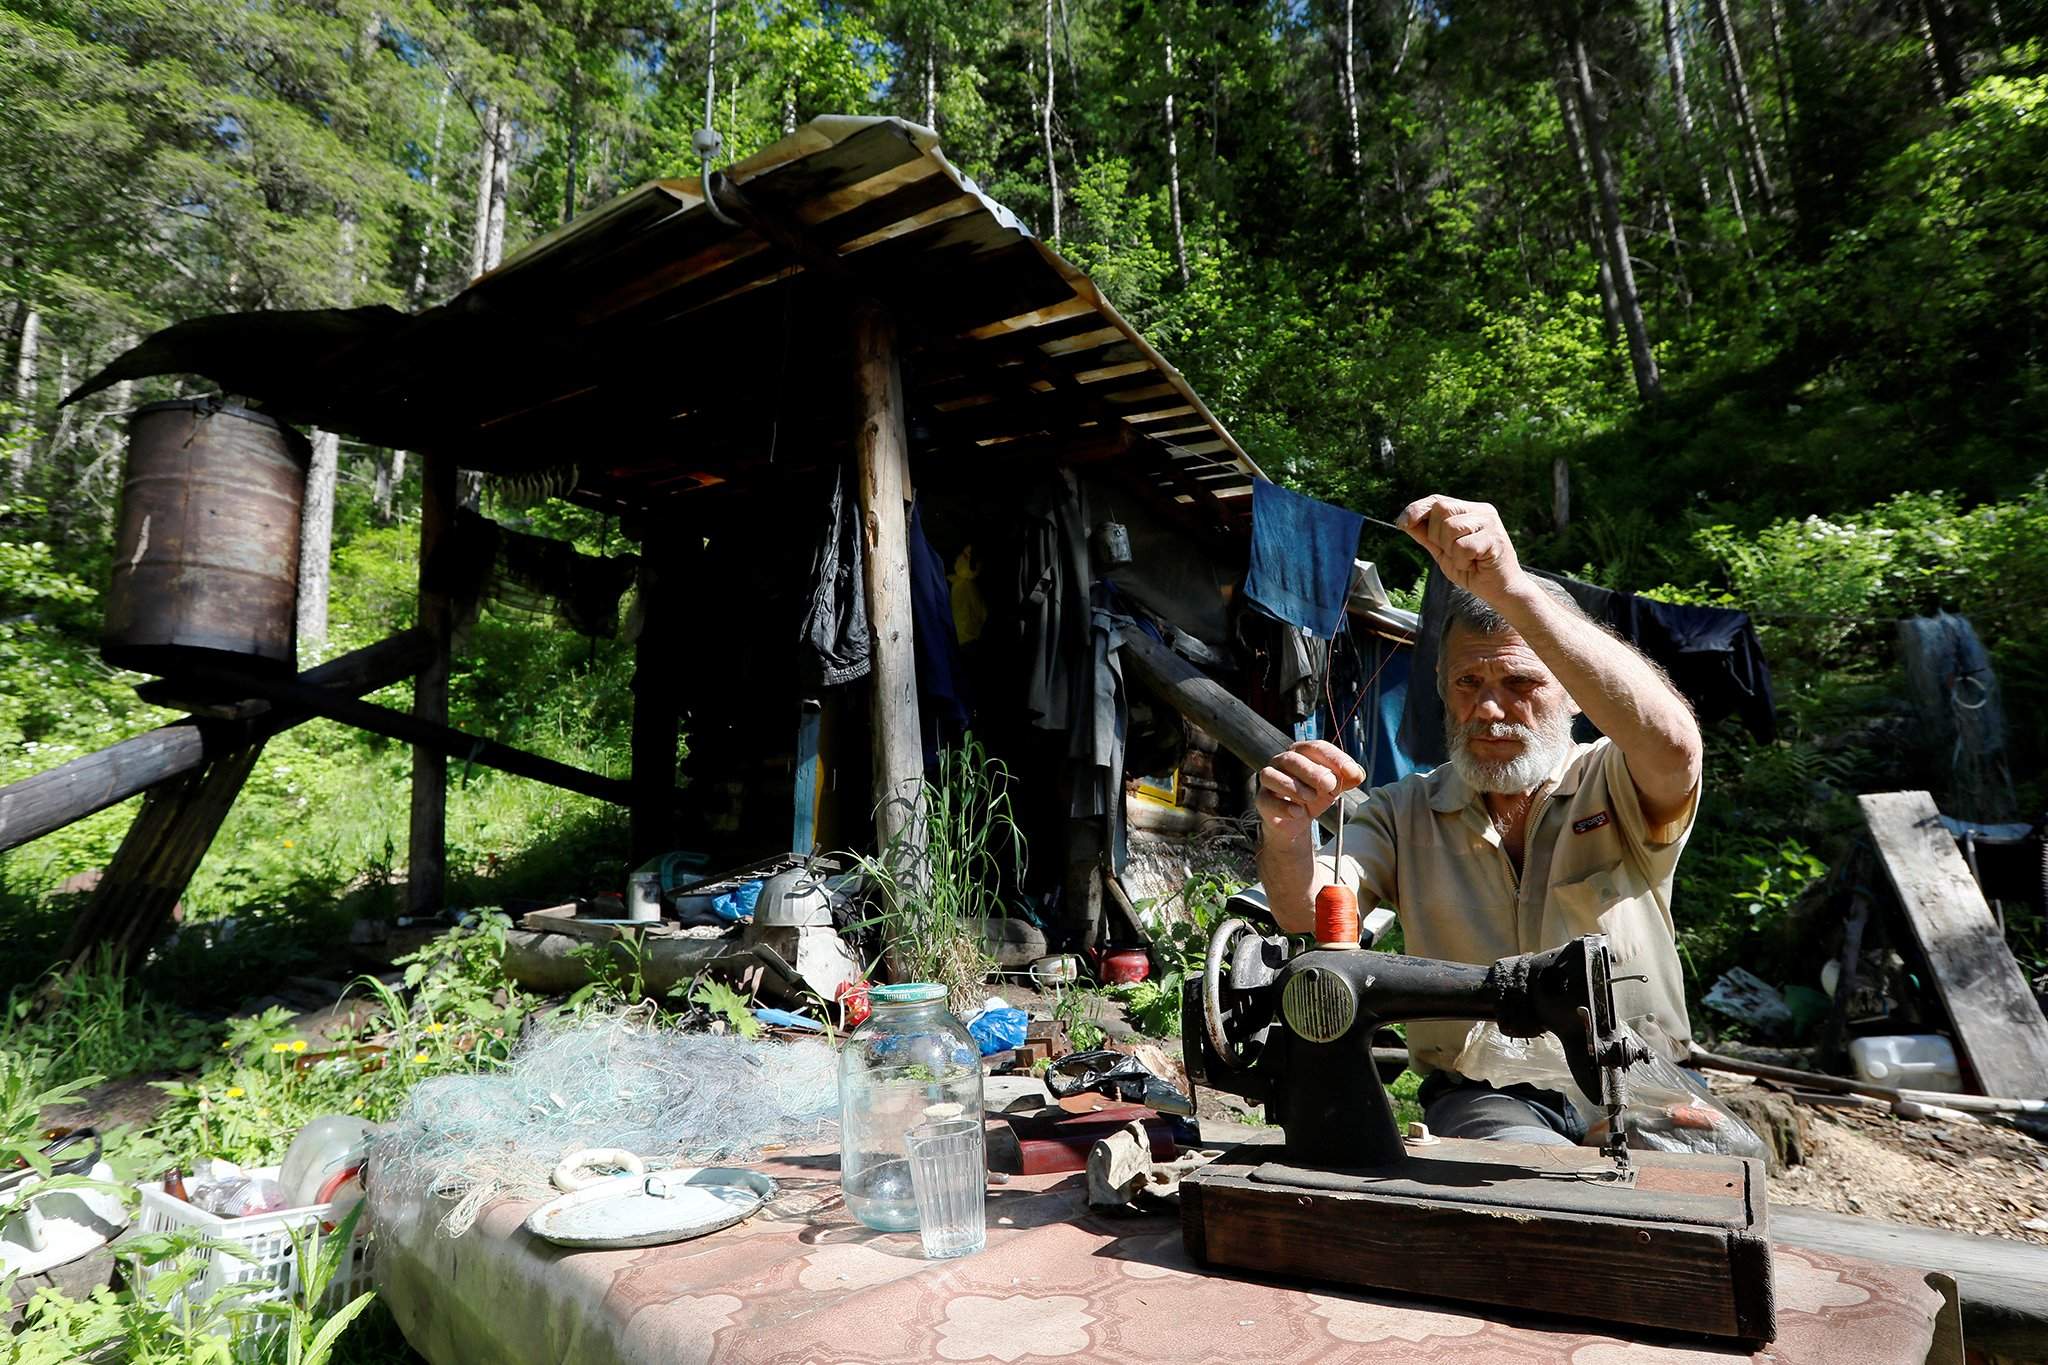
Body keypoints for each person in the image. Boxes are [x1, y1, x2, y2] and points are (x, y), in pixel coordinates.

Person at [1254, 494, 1704, 1147]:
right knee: (1538, 1202)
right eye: (1469, 683)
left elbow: (1676, 746)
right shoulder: (1402, 812)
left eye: (1520, 684)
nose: (1490, 709)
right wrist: (1287, 829)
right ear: (1441, 688)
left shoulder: (1619, 782)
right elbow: (1309, 913)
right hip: (1490, 1100)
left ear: (1573, 693)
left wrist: (1510, 586)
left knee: (1692, 1205)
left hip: (1649, 1086)